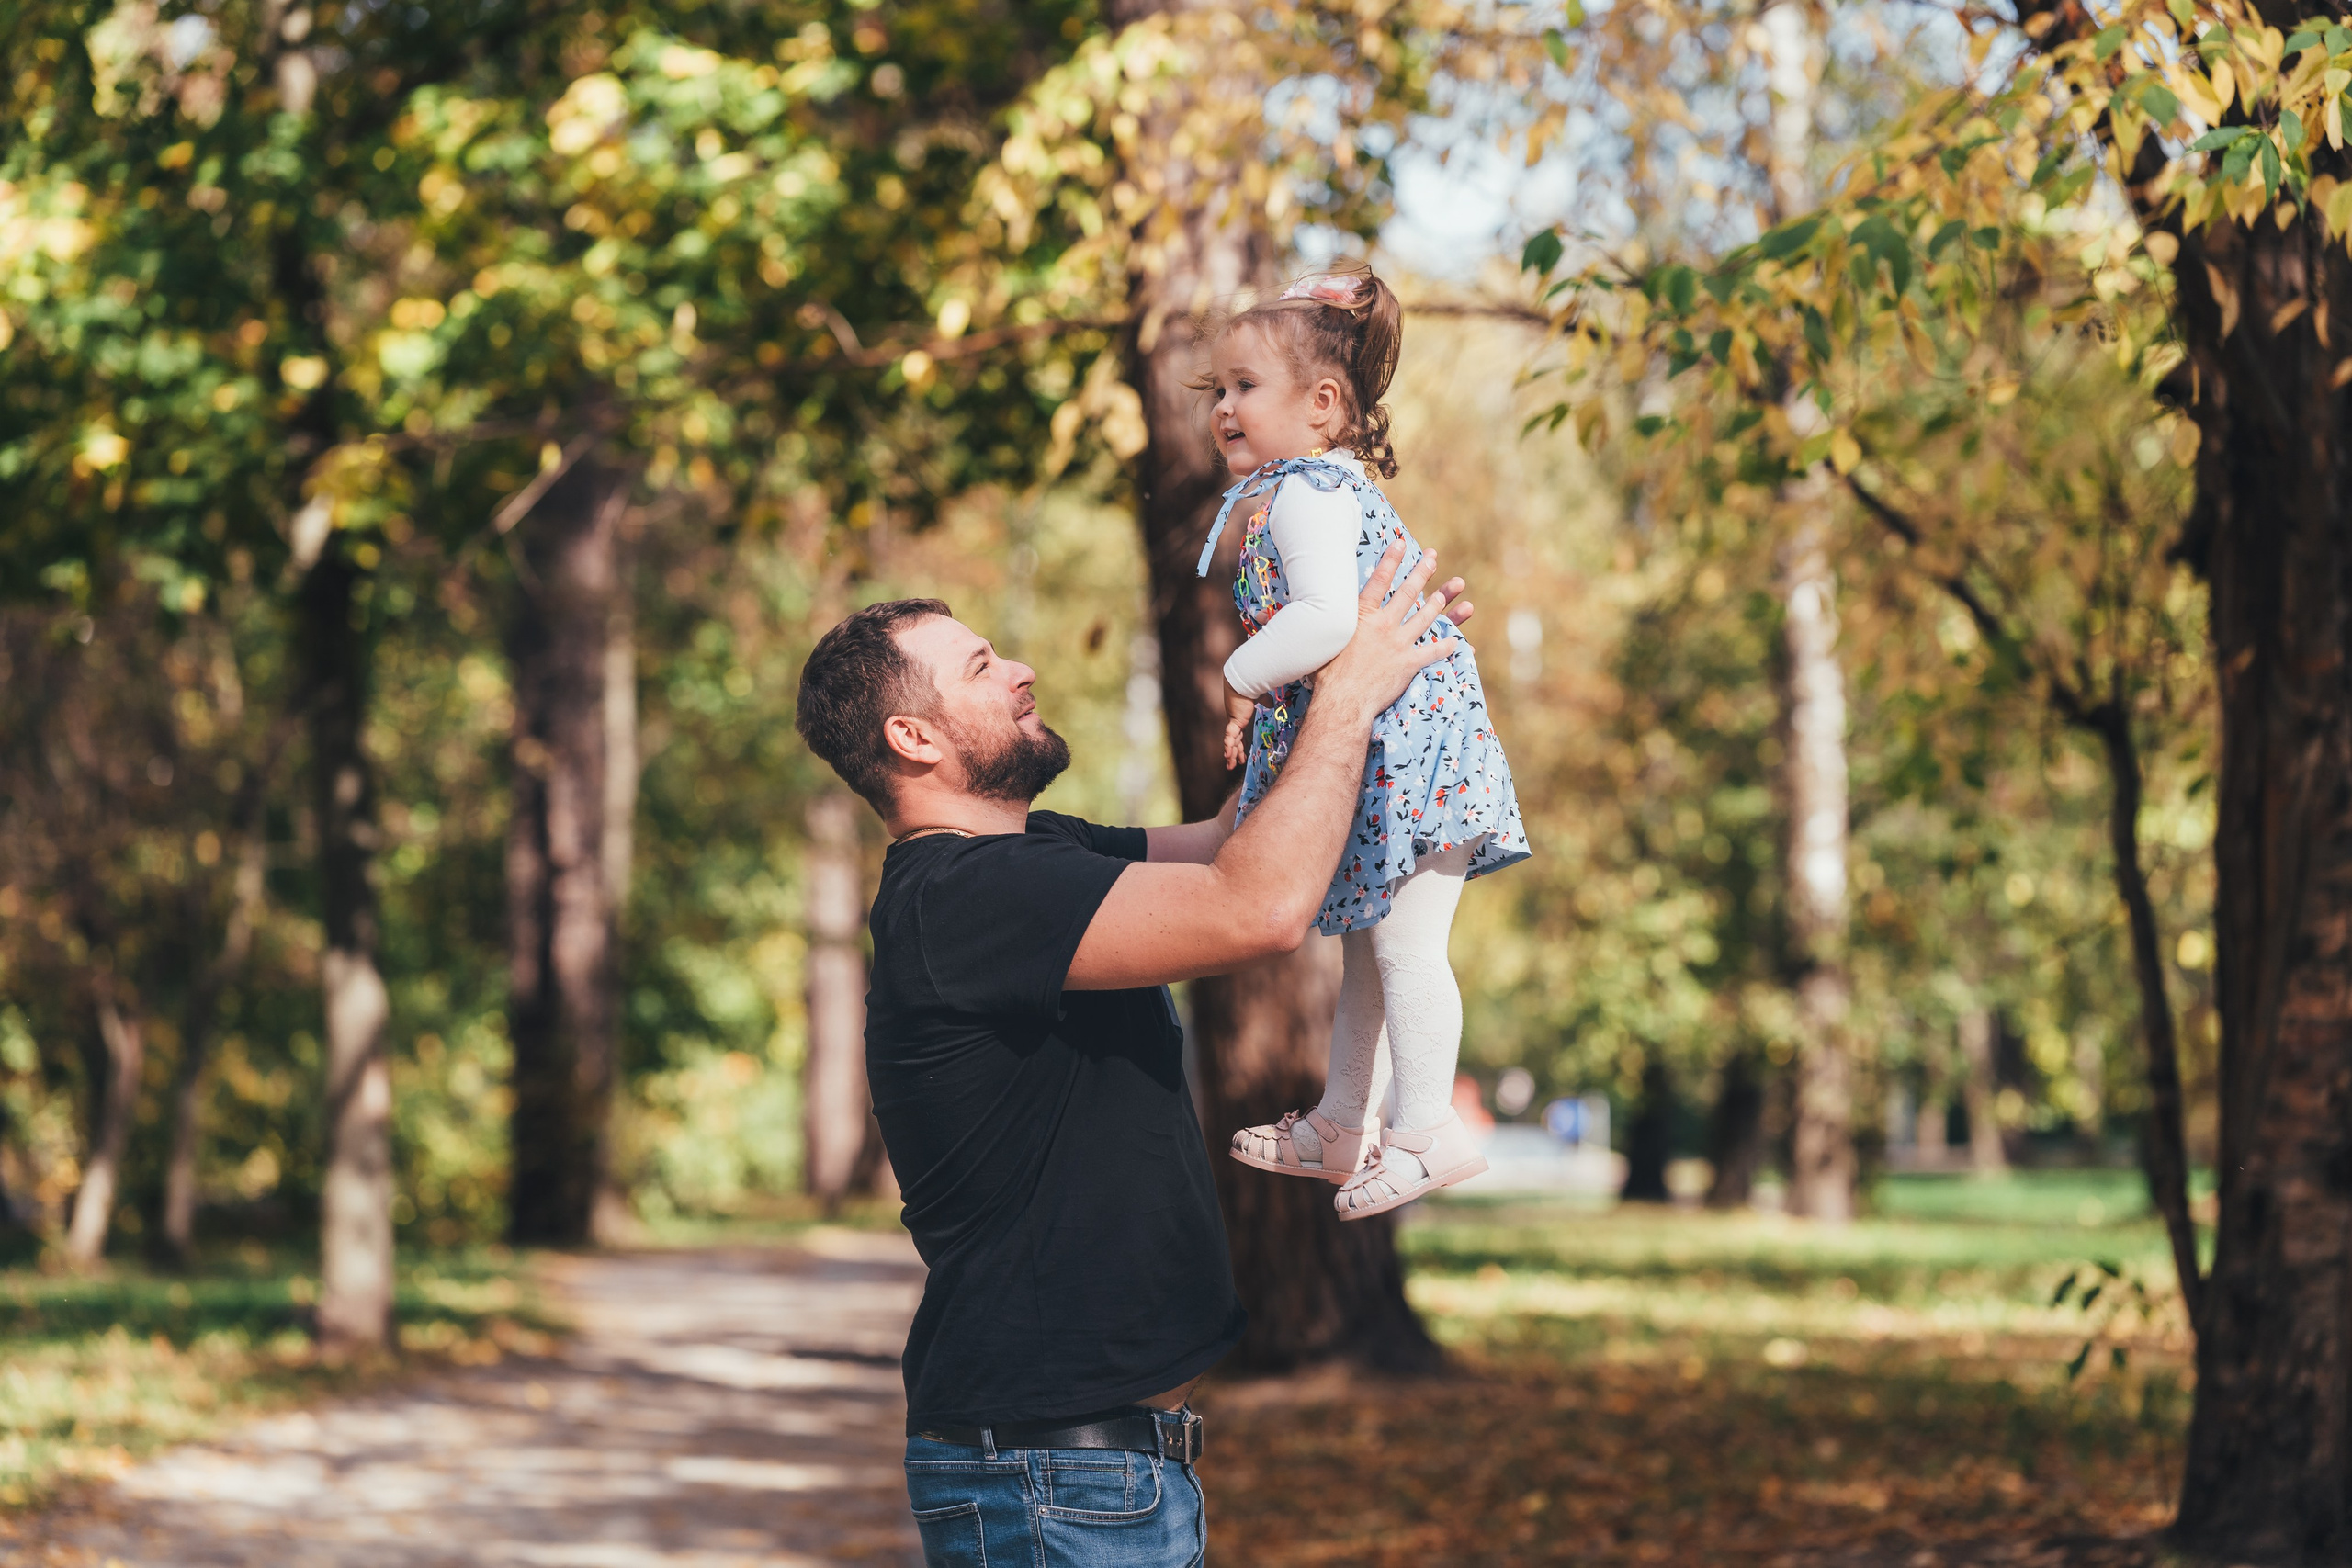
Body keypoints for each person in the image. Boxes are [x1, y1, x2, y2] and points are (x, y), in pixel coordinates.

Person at [793, 543, 1475, 1568]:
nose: (1019, 669)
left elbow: (1239, 839)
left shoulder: (1037, 856)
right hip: (1051, 1474)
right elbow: (1261, 906)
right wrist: (1345, 701)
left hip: (1090, 1470)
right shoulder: (963, 900)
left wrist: (1308, 684)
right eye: (980, 667)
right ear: (913, 736)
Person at [1197, 263, 1532, 1219]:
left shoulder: (1303, 492)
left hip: (1412, 757)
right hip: (1401, 751)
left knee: (1408, 948)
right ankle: (1344, 1122)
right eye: (1216, 389)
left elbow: (1324, 623)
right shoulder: (1312, 484)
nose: (1222, 407)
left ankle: (1426, 1128)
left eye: (1244, 388)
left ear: (1323, 403)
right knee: (1371, 948)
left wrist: (1237, 677)